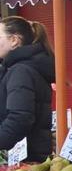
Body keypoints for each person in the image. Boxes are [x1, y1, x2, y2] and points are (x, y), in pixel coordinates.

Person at [0, 17, 55, 162]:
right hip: (31, 157)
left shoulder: (20, 71)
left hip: (26, 161)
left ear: (14, 40)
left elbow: (20, 118)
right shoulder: (22, 67)